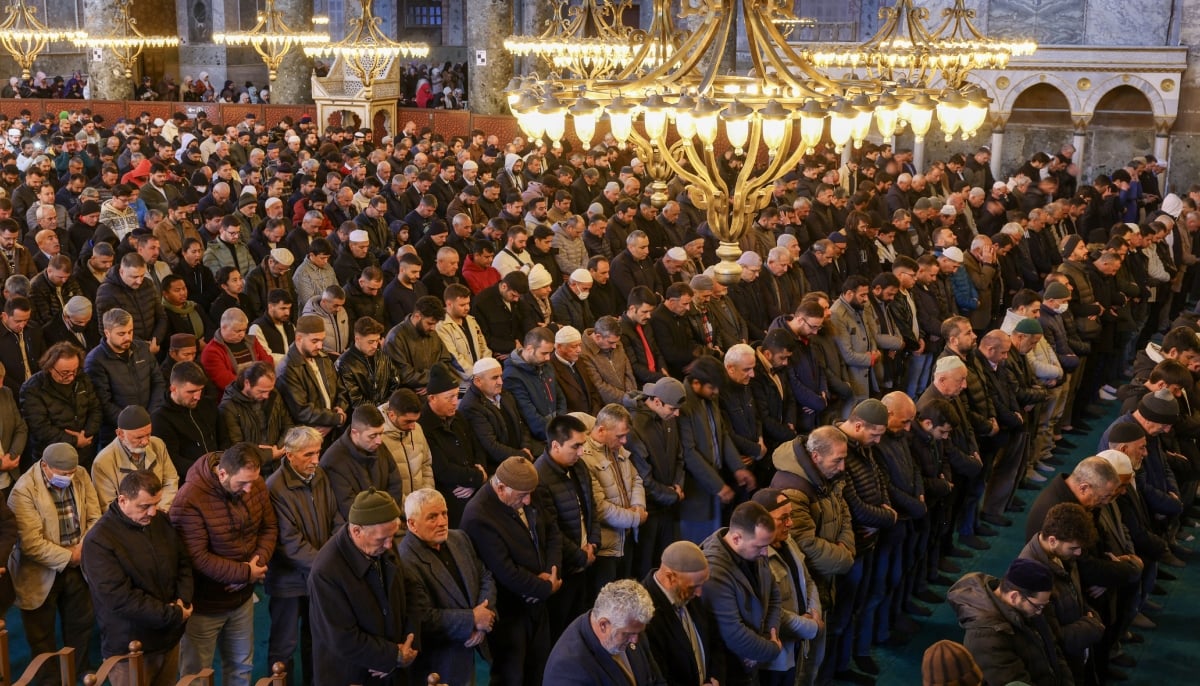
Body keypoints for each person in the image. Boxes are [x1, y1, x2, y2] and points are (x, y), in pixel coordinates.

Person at [169, 443, 278, 686]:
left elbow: (269, 527)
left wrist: (255, 565)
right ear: (222, 474)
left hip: (242, 599)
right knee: (196, 674)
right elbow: (196, 557)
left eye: (254, 481)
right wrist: (245, 573)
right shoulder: (189, 498)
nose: (250, 489)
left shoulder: (254, 483)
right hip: (204, 605)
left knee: (242, 666)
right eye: (242, 484)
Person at [82, 470, 192, 686]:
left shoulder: (160, 520)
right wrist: (173, 613)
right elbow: (121, 599)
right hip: (129, 648)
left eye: (156, 503)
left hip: (168, 637)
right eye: (144, 506)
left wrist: (183, 599)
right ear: (122, 499)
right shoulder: (98, 540)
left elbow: (183, 563)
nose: (152, 512)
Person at [461, 456, 563, 686]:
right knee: (512, 676)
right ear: (500, 487)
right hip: (510, 612)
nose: (528, 501)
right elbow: (504, 570)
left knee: (539, 669)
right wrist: (546, 587)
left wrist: (552, 571)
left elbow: (554, 533)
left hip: (538, 602)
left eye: (530, 494)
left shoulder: (526, 489)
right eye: (521, 496)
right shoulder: (479, 515)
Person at [8, 442, 100, 682]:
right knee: (41, 635)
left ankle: (80, 669)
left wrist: (83, 548)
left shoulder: (80, 474)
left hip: (78, 565)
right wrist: (72, 556)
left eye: (72, 472)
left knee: (81, 623)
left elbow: (95, 517)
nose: (69, 478)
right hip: (39, 572)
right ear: (45, 466)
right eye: (63, 474)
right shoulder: (24, 490)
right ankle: (49, 678)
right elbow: (31, 543)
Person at [308, 488, 420, 685]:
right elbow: (342, 638)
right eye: (382, 539)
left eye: (392, 536)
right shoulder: (326, 572)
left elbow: (410, 591)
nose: (389, 545)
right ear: (356, 531)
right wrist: (392, 656)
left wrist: (409, 642)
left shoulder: (382, 543)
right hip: (352, 675)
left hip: (391, 669)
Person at [266, 426, 342, 686]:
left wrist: (328, 561)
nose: (316, 460)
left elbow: (336, 519)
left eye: (318, 452)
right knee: (283, 646)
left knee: (317, 640)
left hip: (318, 577)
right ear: (289, 455)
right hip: (288, 582)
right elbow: (288, 544)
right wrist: (327, 567)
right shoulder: (274, 487)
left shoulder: (319, 475)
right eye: (309, 454)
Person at [398, 488, 497, 686]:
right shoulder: (405, 560)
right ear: (412, 524)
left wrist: (484, 616)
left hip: (477, 648)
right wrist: (472, 619)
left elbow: (485, 576)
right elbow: (423, 617)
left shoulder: (459, 538)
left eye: (444, 514)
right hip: (441, 664)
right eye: (432, 517)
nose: (442, 522)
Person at [947, 557, 1074, 686]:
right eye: (1038, 606)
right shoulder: (986, 639)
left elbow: (1054, 650)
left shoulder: (1030, 608)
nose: (1040, 612)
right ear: (1014, 596)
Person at [1017, 502, 1104, 684]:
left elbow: (1073, 592)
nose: (1079, 553)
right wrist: (1093, 625)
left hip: (1079, 645)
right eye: (1073, 548)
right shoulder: (1034, 576)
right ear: (1052, 540)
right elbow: (1053, 638)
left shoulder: (1061, 554)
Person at [698, 500, 783, 686]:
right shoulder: (713, 570)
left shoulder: (754, 552)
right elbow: (733, 634)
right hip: (731, 669)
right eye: (760, 546)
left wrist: (767, 637)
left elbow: (775, 595)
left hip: (752, 661)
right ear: (736, 538)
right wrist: (772, 648)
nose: (765, 552)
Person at [533, 414, 597, 636]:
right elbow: (552, 530)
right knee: (562, 630)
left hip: (586, 559)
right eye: (576, 446)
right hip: (564, 568)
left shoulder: (579, 466)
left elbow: (591, 507)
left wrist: (593, 543)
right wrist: (579, 555)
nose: (581, 452)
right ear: (555, 445)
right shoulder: (539, 476)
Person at [753, 488, 823, 686]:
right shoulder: (757, 558)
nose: (790, 523)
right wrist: (811, 627)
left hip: (799, 643)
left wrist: (814, 611)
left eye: (790, 516)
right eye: (783, 518)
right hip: (776, 658)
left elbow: (807, 579)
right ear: (762, 521)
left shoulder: (788, 542)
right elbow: (772, 612)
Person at [543, 579, 663, 686]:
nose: (636, 640)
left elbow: (656, 680)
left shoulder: (631, 626)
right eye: (628, 634)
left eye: (640, 632)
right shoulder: (569, 670)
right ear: (603, 625)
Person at [579, 404, 646, 591]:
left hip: (627, 541)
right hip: (606, 550)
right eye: (620, 436)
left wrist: (639, 505)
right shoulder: (585, 458)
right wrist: (635, 518)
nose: (625, 441)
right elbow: (599, 508)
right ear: (601, 430)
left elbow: (636, 478)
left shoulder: (617, 449)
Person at [641, 540, 721, 686]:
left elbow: (714, 642)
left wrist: (714, 679)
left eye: (701, 585)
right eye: (693, 587)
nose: (699, 593)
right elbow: (656, 675)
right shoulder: (644, 612)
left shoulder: (688, 593)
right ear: (670, 577)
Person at [83, 307, 165, 447]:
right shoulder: (95, 360)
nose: (128, 337)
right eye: (121, 333)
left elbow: (158, 382)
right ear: (107, 332)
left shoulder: (142, 349)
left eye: (130, 331)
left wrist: (149, 417)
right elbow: (103, 402)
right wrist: (131, 424)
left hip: (149, 424)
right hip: (117, 433)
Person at [419, 363, 487, 526]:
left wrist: (478, 477)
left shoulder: (458, 417)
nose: (455, 402)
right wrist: (476, 477)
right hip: (450, 492)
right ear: (432, 398)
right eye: (449, 397)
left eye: (456, 396)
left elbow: (478, 448)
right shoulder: (423, 427)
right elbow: (442, 469)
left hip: (473, 483)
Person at [320, 404, 408, 522]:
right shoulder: (333, 461)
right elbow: (348, 506)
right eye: (372, 436)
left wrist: (389, 515)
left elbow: (395, 482)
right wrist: (381, 521)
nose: (379, 441)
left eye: (381, 433)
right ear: (355, 432)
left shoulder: (378, 446)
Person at [20, 342, 102, 467]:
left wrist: (86, 435)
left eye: (74, 370)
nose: (70, 377)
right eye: (64, 373)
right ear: (50, 367)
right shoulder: (32, 388)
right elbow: (40, 428)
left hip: (86, 450)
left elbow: (95, 408)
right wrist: (75, 441)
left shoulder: (82, 378)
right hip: (52, 456)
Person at [91, 405, 179, 511]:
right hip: (127, 522)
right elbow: (109, 505)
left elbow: (171, 480)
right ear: (120, 434)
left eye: (148, 434)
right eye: (139, 437)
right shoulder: (103, 462)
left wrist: (159, 509)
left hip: (161, 512)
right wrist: (142, 514)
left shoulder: (157, 444)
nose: (146, 441)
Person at [276, 314, 347, 435]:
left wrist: (340, 411)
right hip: (310, 433)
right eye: (315, 341)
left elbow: (340, 388)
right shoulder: (288, 368)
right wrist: (336, 418)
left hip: (332, 428)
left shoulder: (322, 356)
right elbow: (302, 410)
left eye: (322, 340)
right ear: (299, 338)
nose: (320, 346)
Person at [151, 361, 220, 477]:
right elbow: (172, 460)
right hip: (191, 479)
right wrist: (208, 470)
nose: (197, 397)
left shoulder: (207, 404)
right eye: (191, 392)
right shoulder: (160, 418)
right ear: (173, 389)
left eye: (200, 390)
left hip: (220, 469)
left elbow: (224, 438)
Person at [218, 362, 292, 469]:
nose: (266, 396)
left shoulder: (273, 395)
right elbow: (236, 447)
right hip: (252, 467)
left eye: (269, 390)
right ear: (247, 383)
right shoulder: (228, 407)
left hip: (279, 460)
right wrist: (269, 454)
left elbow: (288, 424)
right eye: (261, 391)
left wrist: (279, 448)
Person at [337, 316, 400, 408]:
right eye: (370, 342)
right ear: (357, 339)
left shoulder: (382, 356)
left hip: (387, 409)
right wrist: (381, 409)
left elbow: (395, 382)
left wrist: (387, 405)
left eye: (377, 341)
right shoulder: (345, 363)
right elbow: (355, 400)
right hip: (362, 417)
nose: (375, 346)